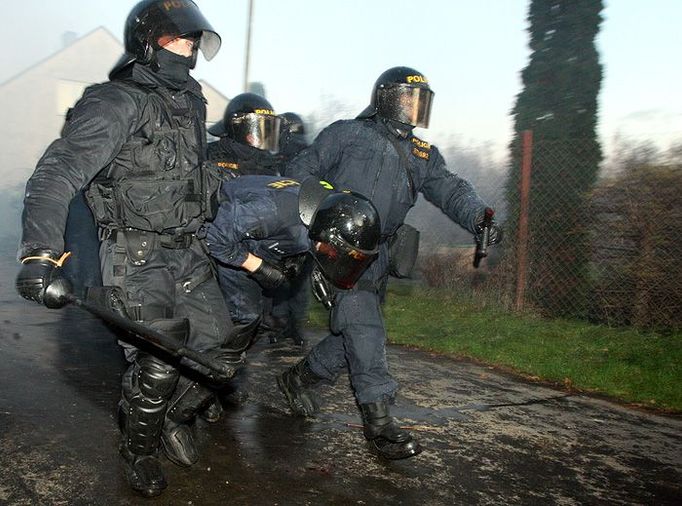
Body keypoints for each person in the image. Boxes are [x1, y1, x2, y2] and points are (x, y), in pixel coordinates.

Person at [15, 0, 242, 497]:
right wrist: (39, 251)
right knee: (159, 364)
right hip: (136, 255)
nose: (190, 50)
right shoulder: (116, 101)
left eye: (193, 42)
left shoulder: (190, 102)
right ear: (149, 41)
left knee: (218, 349)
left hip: (191, 251)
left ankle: (173, 419)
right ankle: (137, 449)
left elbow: (190, 177)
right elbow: (56, 173)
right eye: (179, 39)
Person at [280, 66, 502, 460]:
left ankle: (298, 379)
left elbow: (451, 189)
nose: (414, 109)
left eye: (421, 102)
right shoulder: (347, 134)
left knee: (351, 334)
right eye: (407, 99)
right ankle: (380, 427)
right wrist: (321, 230)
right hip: (340, 248)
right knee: (365, 328)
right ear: (384, 98)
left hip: (380, 255)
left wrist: (478, 217)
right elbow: (299, 174)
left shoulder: (422, 154)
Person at [204, 175, 381, 357]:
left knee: (261, 316)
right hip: (223, 239)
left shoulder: (319, 216)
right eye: (335, 252)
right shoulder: (276, 212)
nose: (333, 256)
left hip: (246, 239)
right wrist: (257, 266)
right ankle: (210, 366)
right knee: (245, 318)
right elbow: (212, 233)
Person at [269, 112, 313, 345]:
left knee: (280, 277)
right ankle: (295, 328)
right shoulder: (312, 154)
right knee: (300, 281)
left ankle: (281, 324)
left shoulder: (284, 158)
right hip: (305, 225)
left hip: (285, 225)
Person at [207, 92, 282, 178]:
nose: (265, 136)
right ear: (239, 128)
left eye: (267, 129)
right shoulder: (209, 156)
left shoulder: (268, 161)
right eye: (258, 129)